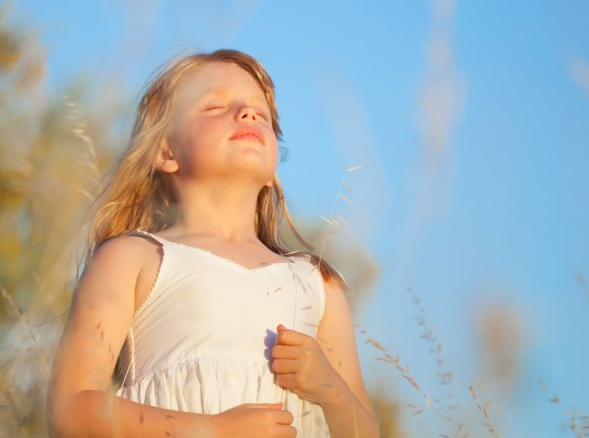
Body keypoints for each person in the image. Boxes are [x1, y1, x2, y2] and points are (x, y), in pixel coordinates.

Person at [46, 49, 378, 437]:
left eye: (262, 114)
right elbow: (69, 412)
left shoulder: (316, 284)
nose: (249, 113)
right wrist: (212, 430)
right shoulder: (133, 258)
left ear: (275, 165)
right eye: (216, 105)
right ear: (165, 150)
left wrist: (332, 390)